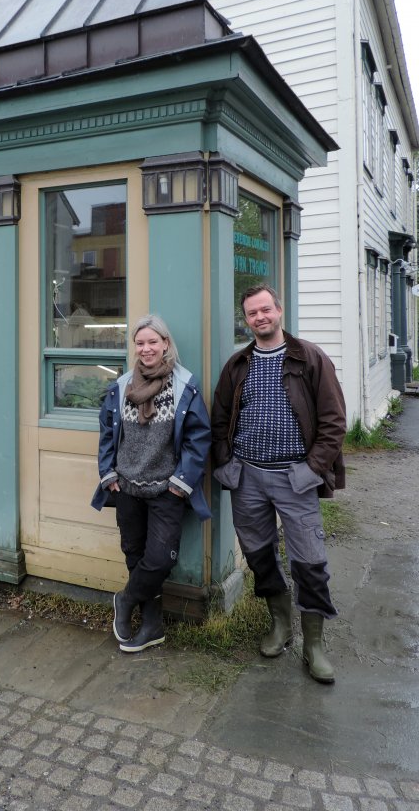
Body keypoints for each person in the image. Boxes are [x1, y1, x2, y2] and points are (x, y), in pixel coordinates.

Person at [211, 284, 346, 684]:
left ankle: (314, 644)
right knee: (259, 554)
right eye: (252, 313)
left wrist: (312, 469)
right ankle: (280, 626)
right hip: (247, 477)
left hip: (295, 477)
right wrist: (226, 463)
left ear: (279, 311)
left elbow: (334, 422)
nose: (260, 318)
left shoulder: (309, 359)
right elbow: (219, 420)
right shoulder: (238, 365)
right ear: (246, 319)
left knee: (310, 560)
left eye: (265, 310)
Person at [92, 314, 211, 653]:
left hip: (166, 490)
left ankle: (126, 599)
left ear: (165, 345)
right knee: (135, 555)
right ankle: (152, 625)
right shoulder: (122, 386)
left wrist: (180, 482)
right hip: (127, 488)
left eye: (152, 342)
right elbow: (107, 434)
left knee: (159, 559)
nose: (146, 349)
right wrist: (108, 474)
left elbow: (198, 438)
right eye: (140, 343)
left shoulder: (184, 386)